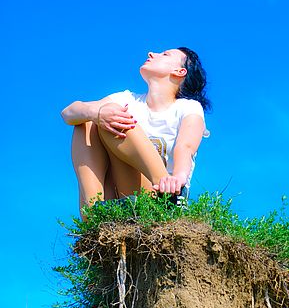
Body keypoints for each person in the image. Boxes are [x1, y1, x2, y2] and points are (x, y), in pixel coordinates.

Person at [61, 47, 211, 213]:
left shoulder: (188, 107)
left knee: (113, 114)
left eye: (165, 54)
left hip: (159, 193)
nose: (151, 54)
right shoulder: (127, 99)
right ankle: (94, 210)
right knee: (89, 119)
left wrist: (178, 178)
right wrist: (94, 113)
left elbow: (186, 147)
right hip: (123, 195)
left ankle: (169, 198)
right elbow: (68, 113)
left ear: (180, 71)